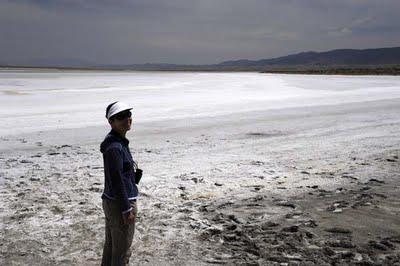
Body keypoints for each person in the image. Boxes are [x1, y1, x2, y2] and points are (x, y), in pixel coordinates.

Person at [100, 101, 139, 266]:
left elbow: (120, 176)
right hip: (119, 204)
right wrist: (126, 208)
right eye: (120, 117)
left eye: (128, 114)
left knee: (111, 248)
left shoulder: (117, 141)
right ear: (111, 122)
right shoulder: (115, 146)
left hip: (112, 202)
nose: (127, 119)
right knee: (122, 252)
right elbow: (117, 180)